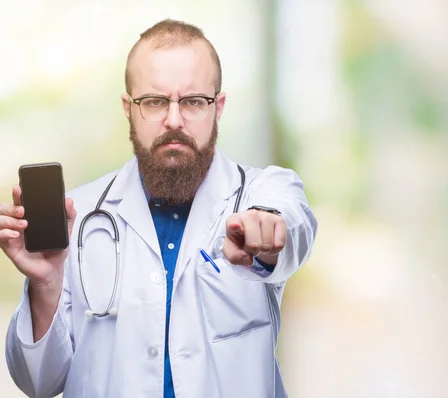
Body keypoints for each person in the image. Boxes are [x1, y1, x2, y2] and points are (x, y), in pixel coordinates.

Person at [1, 19, 317, 398]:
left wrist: (267, 231)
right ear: (128, 108)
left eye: (193, 102)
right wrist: (46, 282)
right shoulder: (80, 217)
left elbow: (294, 222)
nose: (173, 120)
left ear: (219, 107)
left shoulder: (260, 192)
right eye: (154, 101)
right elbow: (38, 384)